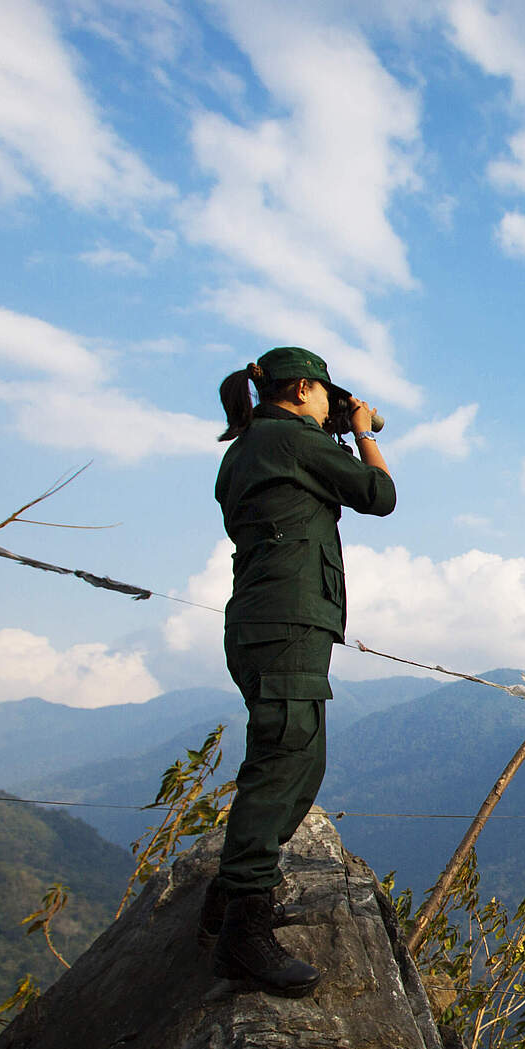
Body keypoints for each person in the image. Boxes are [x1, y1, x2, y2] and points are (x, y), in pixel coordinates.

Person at [199, 346, 396, 996]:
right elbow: (379, 494)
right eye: (327, 395)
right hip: (284, 621)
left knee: (299, 761)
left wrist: (333, 430)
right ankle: (243, 931)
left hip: (274, 621)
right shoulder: (286, 439)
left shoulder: (256, 446)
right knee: (283, 759)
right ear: (305, 387)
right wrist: (362, 433)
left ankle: (230, 899)